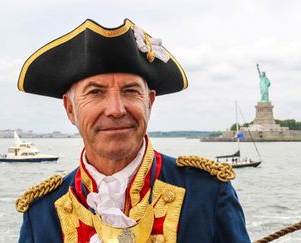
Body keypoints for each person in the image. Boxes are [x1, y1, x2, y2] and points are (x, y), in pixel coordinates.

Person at [16, 19, 250, 243]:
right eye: (96, 92)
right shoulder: (41, 212)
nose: (116, 110)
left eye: (130, 91)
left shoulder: (208, 192)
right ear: (70, 109)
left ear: (149, 103)